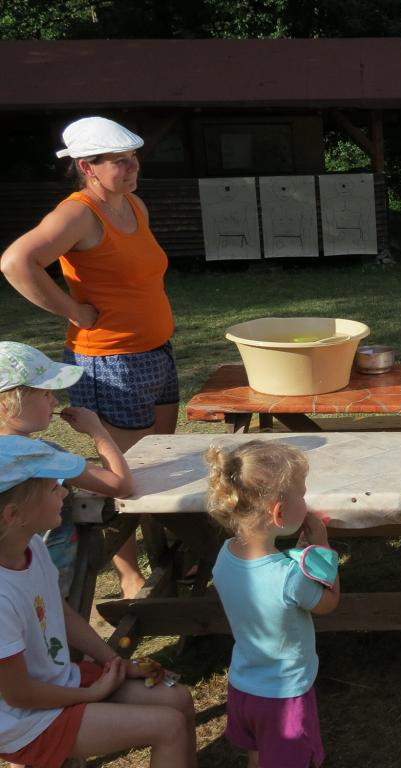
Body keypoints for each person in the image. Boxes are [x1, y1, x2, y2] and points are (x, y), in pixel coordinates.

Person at [1, 116, 179, 598]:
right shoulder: (78, 214)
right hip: (110, 363)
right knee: (120, 470)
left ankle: (164, 551)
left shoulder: (134, 205)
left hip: (156, 353)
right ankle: (128, 573)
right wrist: (73, 310)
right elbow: (16, 261)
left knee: (161, 462)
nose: (131, 167)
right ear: (87, 167)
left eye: (133, 157)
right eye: (118, 161)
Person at [0, 436, 196, 768]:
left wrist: (115, 664)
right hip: (22, 722)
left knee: (178, 698)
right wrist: (90, 694)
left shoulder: (32, 546)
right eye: (53, 490)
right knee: (169, 726)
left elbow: (60, 612)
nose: (65, 495)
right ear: (13, 515)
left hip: (58, 684)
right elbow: (18, 695)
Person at [207, 440, 340, 768]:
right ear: (279, 513)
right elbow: (329, 602)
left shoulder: (224, 555)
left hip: (243, 687)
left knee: (260, 754)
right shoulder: (290, 578)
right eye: (303, 495)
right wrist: (321, 547)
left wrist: (299, 552)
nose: (306, 502)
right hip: (285, 697)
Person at [0, 341, 134, 597]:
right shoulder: (36, 455)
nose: (55, 400)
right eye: (45, 393)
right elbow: (121, 485)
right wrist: (97, 430)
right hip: (42, 583)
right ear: (8, 405)